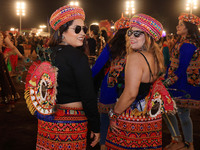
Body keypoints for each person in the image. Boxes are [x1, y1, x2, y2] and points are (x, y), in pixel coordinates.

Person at [35, 5, 100, 149]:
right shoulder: (78, 57)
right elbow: (88, 95)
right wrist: (96, 126)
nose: (83, 33)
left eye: (84, 28)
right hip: (71, 123)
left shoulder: (47, 54)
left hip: (47, 121)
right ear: (62, 32)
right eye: (77, 29)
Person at [105, 14, 165, 149]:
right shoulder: (156, 56)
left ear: (148, 37)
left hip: (132, 118)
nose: (131, 36)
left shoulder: (135, 57)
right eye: (130, 32)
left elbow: (131, 93)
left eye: (137, 33)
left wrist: (114, 114)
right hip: (151, 117)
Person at [92, 16, 130, 150]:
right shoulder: (136, 46)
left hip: (110, 85)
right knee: (125, 119)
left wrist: (85, 78)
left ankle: (103, 145)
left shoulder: (111, 45)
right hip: (129, 86)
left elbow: (97, 67)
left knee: (105, 119)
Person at [163, 13, 200, 150]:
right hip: (178, 83)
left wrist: (167, 82)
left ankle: (188, 144)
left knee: (182, 114)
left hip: (182, 85)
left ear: (188, 28)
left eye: (181, 25)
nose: (177, 26)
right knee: (170, 112)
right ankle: (178, 140)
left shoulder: (188, 45)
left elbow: (182, 68)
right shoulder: (182, 42)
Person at [0, 32, 22, 112]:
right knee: (4, 80)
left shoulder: (2, 34)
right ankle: (9, 103)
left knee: (5, 81)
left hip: (0, 60)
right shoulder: (2, 34)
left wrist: (20, 55)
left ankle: (10, 103)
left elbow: (12, 47)